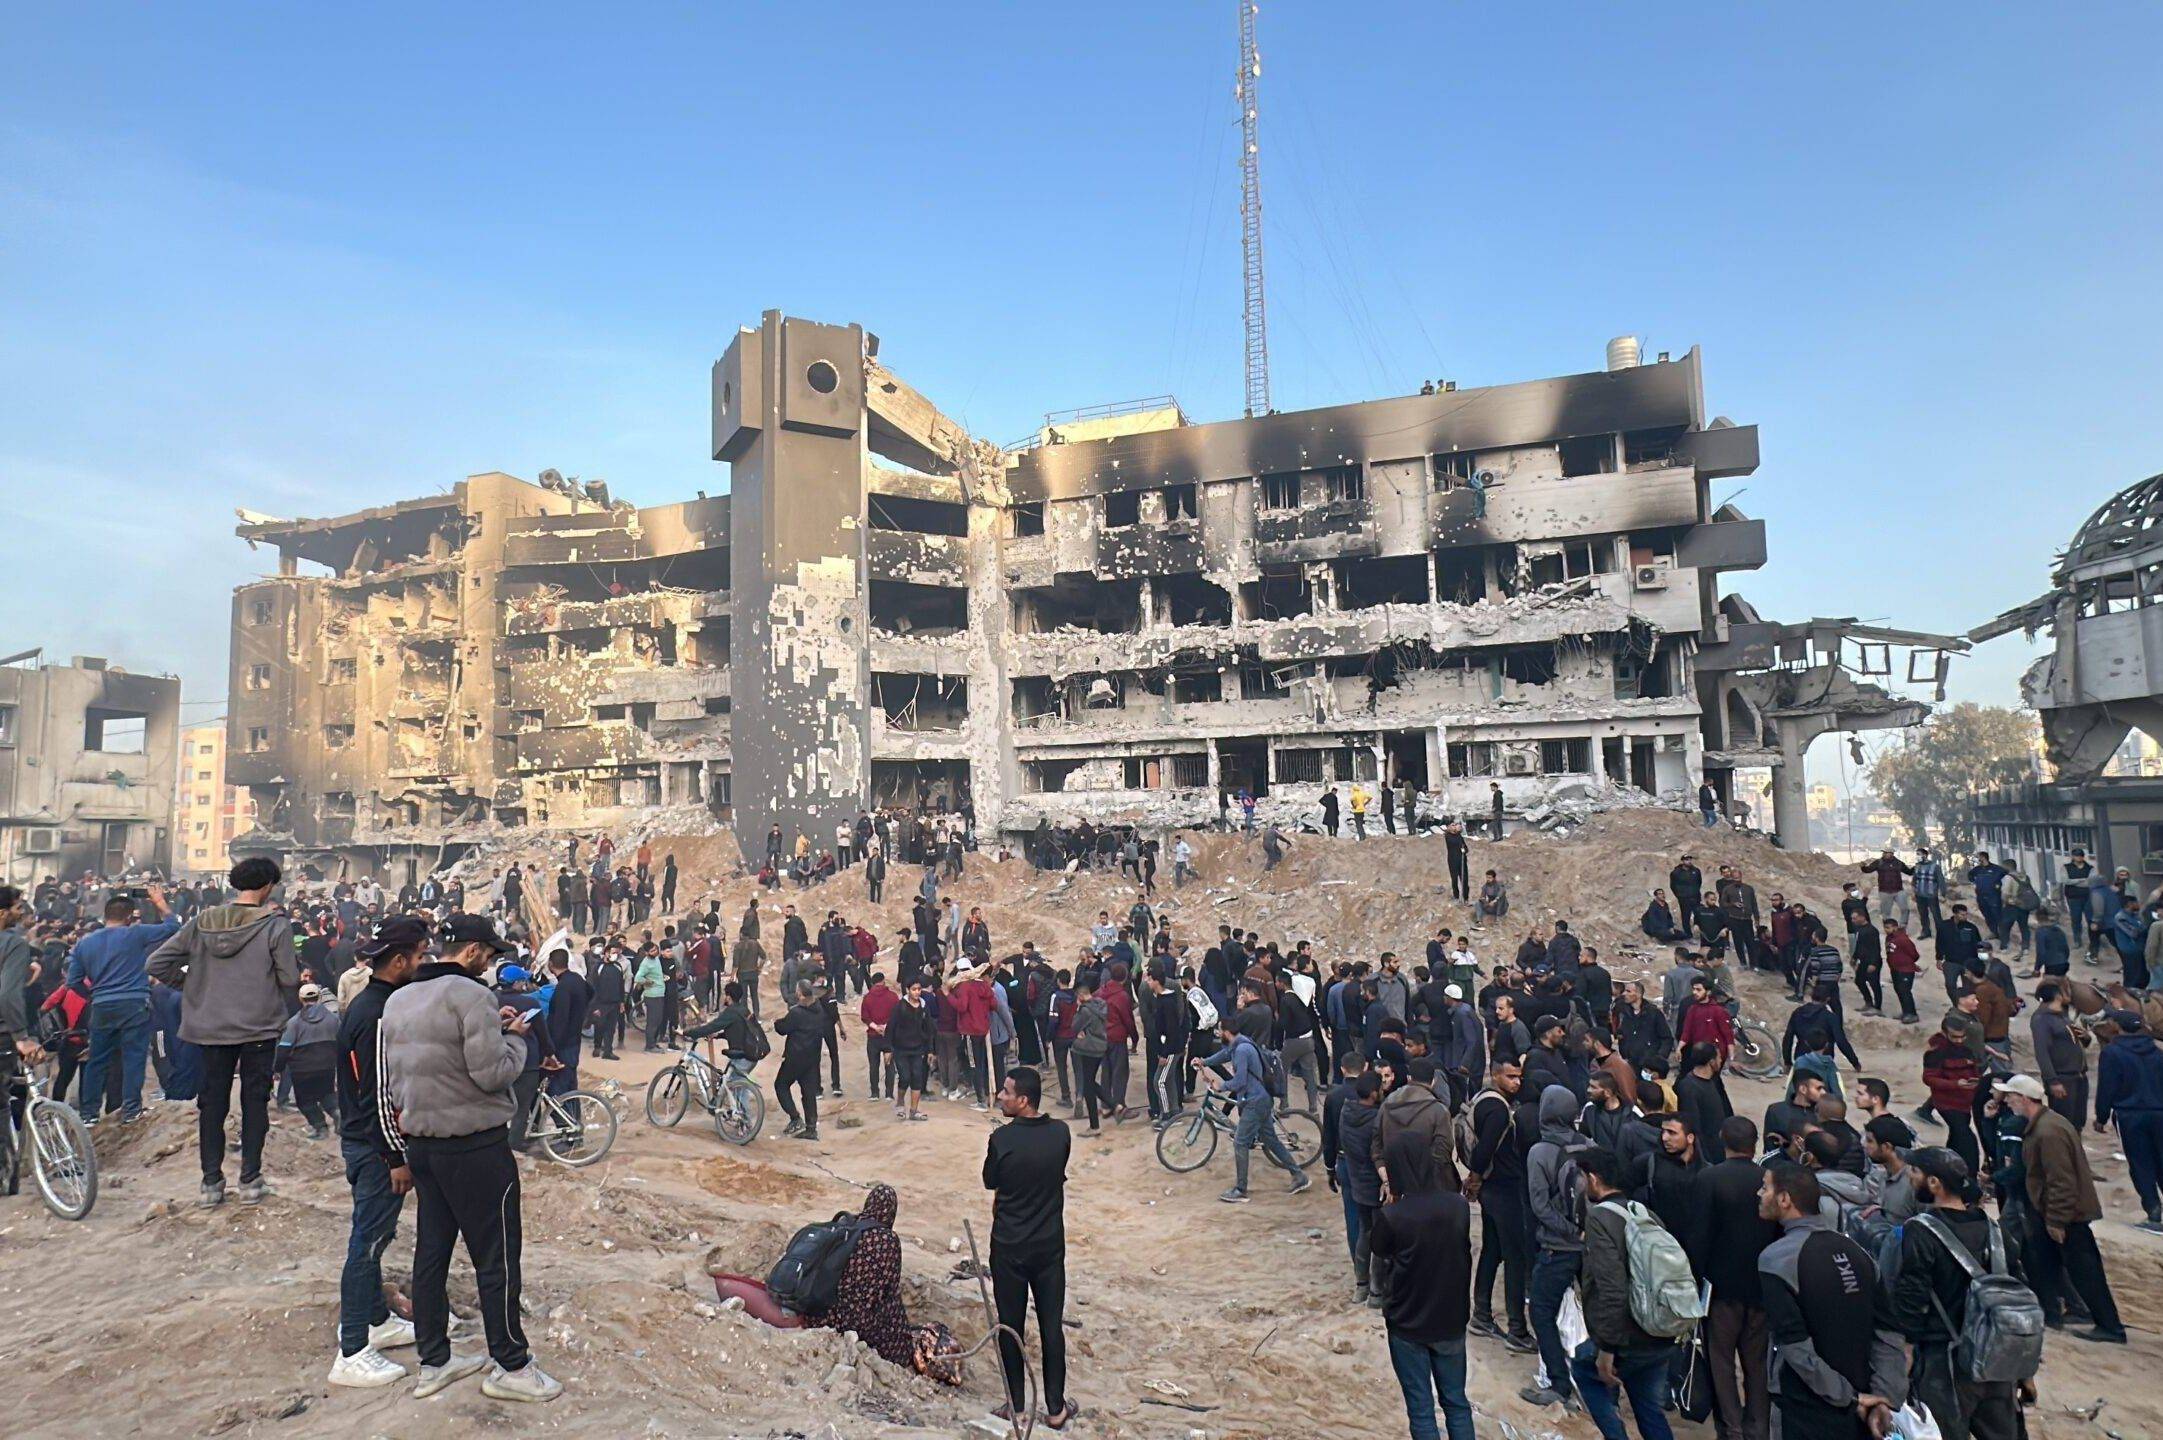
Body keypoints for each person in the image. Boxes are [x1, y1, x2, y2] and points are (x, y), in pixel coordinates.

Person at [380, 913, 560, 1402]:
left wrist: (492, 1028)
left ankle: (433, 1361)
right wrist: (518, 1038)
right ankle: (511, 1365)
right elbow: (492, 1073)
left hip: (424, 1146)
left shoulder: (399, 998)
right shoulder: (472, 995)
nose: (492, 962)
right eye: (492, 954)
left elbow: (411, 1069)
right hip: (476, 1148)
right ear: (475, 951)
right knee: (496, 1257)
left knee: (431, 1254)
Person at [146, 859, 296, 1205]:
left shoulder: (202, 921)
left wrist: (192, 985)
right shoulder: (275, 926)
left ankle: (211, 1183)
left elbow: (155, 964)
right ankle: (250, 1180)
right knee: (254, 1103)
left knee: (211, 1104)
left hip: (209, 1027)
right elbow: (289, 978)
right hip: (258, 1026)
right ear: (268, 886)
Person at [328, 915, 426, 1389]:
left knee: (376, 1237)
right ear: (401, 960)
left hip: (364, 1141)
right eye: (421, 956)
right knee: (365, 1245)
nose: (423, 963)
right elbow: (378, 1094)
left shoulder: (369, 1004)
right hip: (374, 1148)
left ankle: (375, 1319)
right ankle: (351, 1349)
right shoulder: (379, 1012)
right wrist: (395, 1157)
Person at [1755, 1162, 1908, 1440]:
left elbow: (1795, 1346)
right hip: (1863, 1411)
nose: (1758, 1193)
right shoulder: (1859, 1253)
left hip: (1806, 1408)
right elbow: (1888, 1334)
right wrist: (1882, 1398)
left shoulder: (1776, 1259)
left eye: (1765, 1187)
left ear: (1784, 1199)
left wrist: (1851, 1397)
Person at [1996, 1073, 2126, 1341]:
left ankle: (2109, 1326)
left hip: (2067, 1215)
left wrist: (2056, 1220)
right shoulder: (2044, 1124)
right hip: (2053, 1211)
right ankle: (2056, 1315)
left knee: (2084, 1269)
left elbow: (2061, 1180)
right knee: (2045, 1262)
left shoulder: (2048, 1131)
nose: (2006, 1101)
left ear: (2023, 1099)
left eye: (2010, 1096)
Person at [1369, 1128, 1477, 1440]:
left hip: (1408, 1320)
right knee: (1456, 1403)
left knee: (1420, 1409)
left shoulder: (1393, 1216)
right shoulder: (1457, 1206)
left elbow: (1380, 1249)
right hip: (1451, 1318)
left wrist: (1391, 1201)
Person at [983, 1067, 1075, 1430]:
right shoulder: (1061, 1134)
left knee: (1011, 1326)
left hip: (1009, 1247)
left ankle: (1017, 1406)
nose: (1000, 1096)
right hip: (1050, 1245)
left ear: (1023, 1100)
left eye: (1006, 1092)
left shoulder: (1002, 1140)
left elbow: (991, 1180)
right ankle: (1056, 1408)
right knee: (1052, 1326)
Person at [1576, 1146, 1680, 1440]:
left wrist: (1607, 1349)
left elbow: (1612, 1290)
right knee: (1649, 1410)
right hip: (1659, 1330)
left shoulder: (1598, 1218)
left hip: (1626, 1337)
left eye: (1583, 1178)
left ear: (1594, 1179)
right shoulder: (1644, 1212)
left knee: (1586, 1372)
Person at [67, 883, 183, 1124]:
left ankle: (88, 1115)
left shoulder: (84, 943)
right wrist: (159, 901)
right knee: (134, 1057)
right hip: (134, 1004)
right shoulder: (136, 934)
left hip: (101, 1006)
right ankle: (131, 1111)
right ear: (130, 917)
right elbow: (174, 927)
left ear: (106, 915)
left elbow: (74, 981)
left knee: (97, 1060)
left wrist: (95, 995)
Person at [1699, 1116, 1779, 1440]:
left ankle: (1731, 1428)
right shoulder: (1769, 1180)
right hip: (1761, 1289)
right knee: (1756, 1364)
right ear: (1755, 1142)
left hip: (1721, 1291)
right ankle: (1758, 1427)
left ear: (1723, 1141)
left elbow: (1699, 1237)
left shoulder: (1709, 1179)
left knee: (1720, 1362)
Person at [1522, 1083, 1593, 1408]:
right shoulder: (1588, 1146)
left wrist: (1569, 1232)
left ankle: (1559, 1383)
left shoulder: (1540, 1152)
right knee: (1593, 1313)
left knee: (1541, 1310)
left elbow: (1540, 1206)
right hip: (1591, 1246)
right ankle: (1597, 1381)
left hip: (1557, 1247)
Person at [1192, 1016, 1311, 1204]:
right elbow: (1223, 1056)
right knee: (1271, 1141)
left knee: (1240, 1143)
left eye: (1220, 1031)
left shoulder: (1241, 1050)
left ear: (1226, 1033)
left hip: (1254, 1102)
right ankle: (1299, 1175)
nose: (1218, 1034)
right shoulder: (1240, 1043)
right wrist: (1204, 1062)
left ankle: (1241, 1189)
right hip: (1260, 1099)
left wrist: (1220, 1086)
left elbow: (1239, 1082)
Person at [2095, 1006, 2163, 1231]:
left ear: (2117, 1026)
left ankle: (2153, 1212)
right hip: (2159, 1113)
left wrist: (2101, 1117)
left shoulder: (2112, 1053)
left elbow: (2107, 1087)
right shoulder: (2156, 1051)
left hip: (2129, 1116)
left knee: (2140, 1163)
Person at [273, 984, 341, 1139]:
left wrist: (278, 1068)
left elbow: (284, 1048)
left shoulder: (294, 1023)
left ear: (300, 999)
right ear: (319, 997)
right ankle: (337, 1112)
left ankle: (320, 1128)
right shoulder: (333, 1019)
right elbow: (343, 1041)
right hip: (327, 1066)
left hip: (302, 1070)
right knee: (327, 1094)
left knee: (305, 1102)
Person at [772, 981, 827, 1142]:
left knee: (781, 1085)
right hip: (812, 1058)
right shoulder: (819, 1010)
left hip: (795, 1057)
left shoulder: (797, 1013)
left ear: (801, 994)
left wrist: (776, 1022)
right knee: (808, 1092)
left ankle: (795, 1118)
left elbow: (783, 1029)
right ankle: (811, 1128)